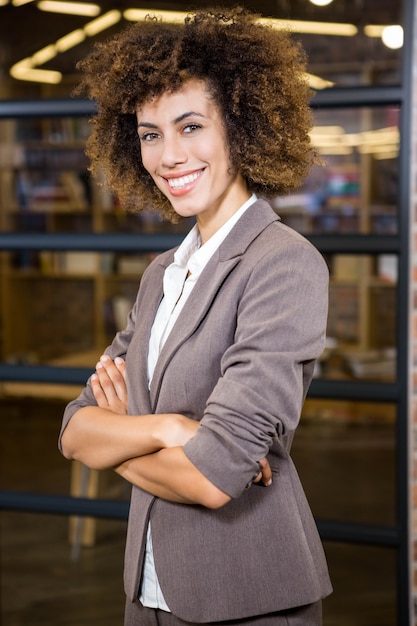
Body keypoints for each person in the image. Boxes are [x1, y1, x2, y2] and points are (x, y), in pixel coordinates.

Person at [59, 7, 332, 625]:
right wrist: (172, 431)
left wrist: (124, 433)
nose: (168, 155)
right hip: (147, 593)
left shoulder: (285, 264)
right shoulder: (164, 272)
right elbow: (75, 430)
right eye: (150, 134)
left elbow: (215, 478)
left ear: (241, 126)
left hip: (246, 597)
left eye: (190, 126)